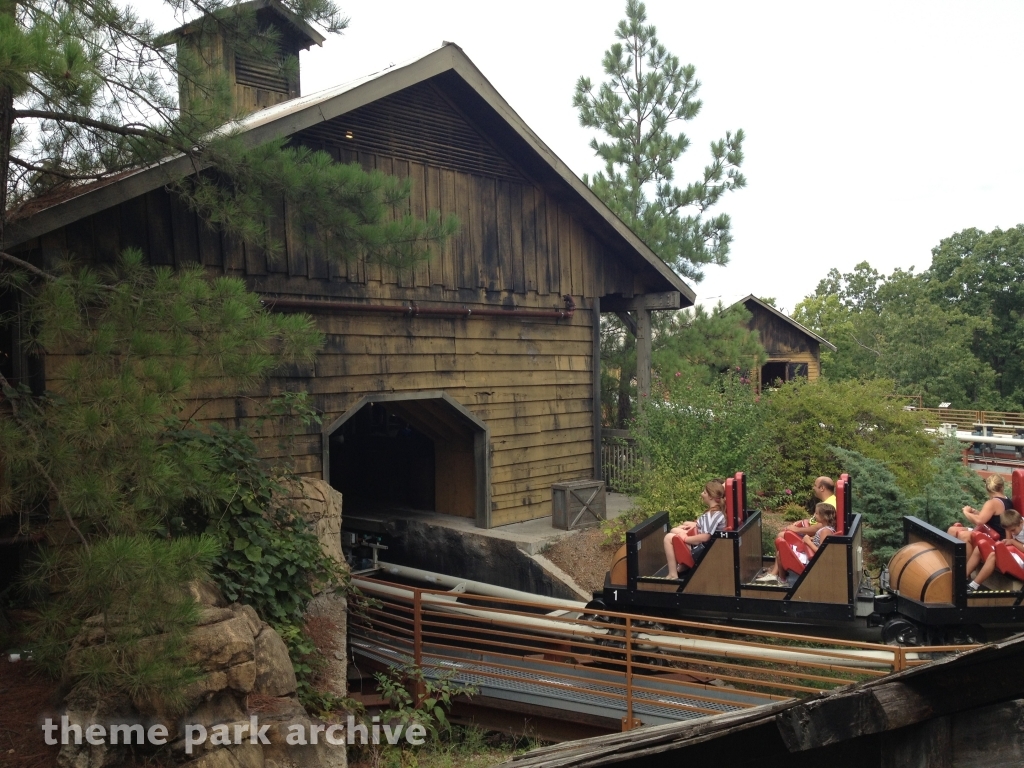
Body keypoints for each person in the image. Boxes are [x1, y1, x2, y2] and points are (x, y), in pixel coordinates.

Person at [756, 503, 837, 585]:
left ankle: (781, 579)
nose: (814, 515)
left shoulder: (825, 531)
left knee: (781, 554)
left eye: (816, 513)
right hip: (809, 555)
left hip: (811, 561)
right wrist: (811, 539)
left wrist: (808, 542)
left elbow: (822, 552)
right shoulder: (825, 529)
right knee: (781, 552)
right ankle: (780, 578)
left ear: (824, 517)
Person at [663, 479, 727, 576]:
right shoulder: (717, 511)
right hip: (707, 546)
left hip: (703, 552)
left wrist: (686, 538)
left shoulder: (711, 515)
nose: (702, 494)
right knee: (675, 530)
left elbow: (705, 537)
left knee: (668, 538)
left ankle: (672, 574)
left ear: (711, 497)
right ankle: (683, 565)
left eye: (704, 492)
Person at [948, 475, 1013, 558]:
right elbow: (993, 518)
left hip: (995, 537)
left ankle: (965, 564)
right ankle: (949, 560)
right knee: (952, 530)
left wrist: (966, 512)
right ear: (1002, 487)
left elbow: (979, 521)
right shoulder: (1006, 500)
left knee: (964, 536)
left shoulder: (992, 503)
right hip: (988, 530)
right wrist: (975, 512)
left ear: (987, 489)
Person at [965, 508, 1024, 593]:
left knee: (994, 555)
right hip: (1014, 551)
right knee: (980, 548)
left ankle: (973, 586)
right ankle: (962, 577)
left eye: (1013, 530)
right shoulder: (1012, 525)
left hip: (1021, 557)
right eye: (1009, 530)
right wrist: (1007, 541)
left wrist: (1012, 542)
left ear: (1021, 522)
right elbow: (1009, 540)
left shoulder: (1019, 524)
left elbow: (1012, 542)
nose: (1013, 533)